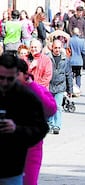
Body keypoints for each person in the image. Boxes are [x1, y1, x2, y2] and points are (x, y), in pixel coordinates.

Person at [0, 54, 49, 185]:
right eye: (1, 78)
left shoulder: (26, 98)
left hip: (12, 168)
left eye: (9, 79)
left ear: (17, 75)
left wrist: (17, 129)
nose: (4, 83)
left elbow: (41, 128)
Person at [14, 56, 56, 185]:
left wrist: (32, 85)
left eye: (14, 75)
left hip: (30, 149)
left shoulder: (36, 90)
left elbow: (50, 109)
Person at [48, 40, 73, 134]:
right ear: (52, 48)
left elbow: (68, 74)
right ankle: (50, 123)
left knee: (58, 106)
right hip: (49, 86)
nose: (57, 50)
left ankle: (57, 126)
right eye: (55, 48)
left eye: (59, 48)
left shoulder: (65, 59)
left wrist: (70, 89)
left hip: (60, 86)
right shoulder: (48, 58)